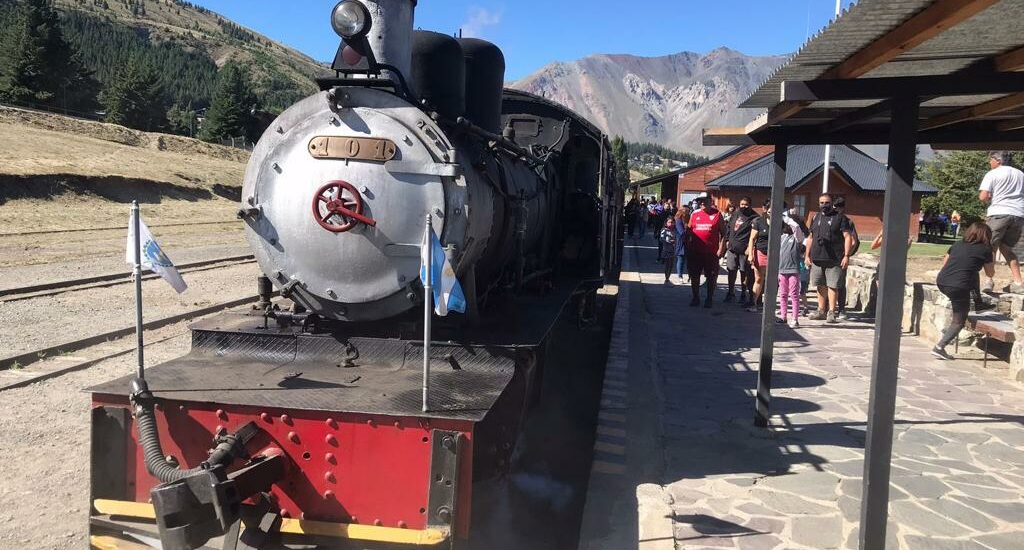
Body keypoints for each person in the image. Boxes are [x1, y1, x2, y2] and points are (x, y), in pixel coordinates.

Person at [932, 222, 996, 360]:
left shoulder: (957, 244)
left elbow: (945, 264)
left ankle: (979, 303)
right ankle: (939, 347)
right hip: (958, 287)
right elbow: (990, 273)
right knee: (959, 320)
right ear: (986, 236)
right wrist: (992, 255)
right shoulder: (985, 250)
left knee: (973, 273)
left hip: (942, 281)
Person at [979, 151, 1024, 294]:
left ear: (998, 161)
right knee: (1007, 248)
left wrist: (991, 197)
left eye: (991, 159)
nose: (989, 162)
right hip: (1018, 214)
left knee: (989, 247)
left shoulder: (992, 174)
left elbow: (983, 196)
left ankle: (989, 281)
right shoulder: (1020, 174)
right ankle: (1018, 282)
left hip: (999, 213)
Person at [805, 193, 853, 323]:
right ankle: (821, 310)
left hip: (834, 258)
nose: (824, 205)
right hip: (817, 257)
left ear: (831, 203)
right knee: (820, 285)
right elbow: (810, 237)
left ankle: (831, 312)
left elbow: (848, 237)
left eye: (827, 202)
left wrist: (846, 256)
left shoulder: (840, 218)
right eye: (821, 203)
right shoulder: (815, 217)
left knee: (833, 285)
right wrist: (807, 255)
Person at [687, 197, 726, 308]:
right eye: (700, 201)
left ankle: (709, 298)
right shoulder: (694, 214)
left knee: (711, 277)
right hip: (696, 252)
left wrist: (721, 249)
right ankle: (695, 297)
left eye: (705, 201)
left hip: (711, 253)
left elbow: (724, 233)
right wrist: (688, 247)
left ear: (711, 203)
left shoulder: (717, 215)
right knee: (695, 276)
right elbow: (689, 231)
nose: (702, 203)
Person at [724, 197, 757, 305]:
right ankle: (730, 292)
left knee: (744, 272)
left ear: (750, 205)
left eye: (746, 204)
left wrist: (750, 248)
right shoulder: (735, 214)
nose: (743, 206)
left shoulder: (754, 217)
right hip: (732, 248)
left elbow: (755, 235)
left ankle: (743, 293)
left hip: (745, 249)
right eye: (742, 204)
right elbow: (729, 227)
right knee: (731, 270)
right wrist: (727, 240)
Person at [777, 212, 806, 328]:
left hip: (793, 270)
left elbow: (797, 228)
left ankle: (795, 318)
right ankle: (783, 317)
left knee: (794, 295)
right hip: (782, 270)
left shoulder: (797, 238)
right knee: (783, 294)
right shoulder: (781, 238)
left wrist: (787, 218)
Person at [834, 197, 860, 320]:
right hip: (830, 256)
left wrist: (846, 255)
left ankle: (841, 309)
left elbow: (854, 241)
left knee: (839, 283)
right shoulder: (831, 218)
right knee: (831, 283)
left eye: (838, 206)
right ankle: (831, 308)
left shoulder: (848, 222)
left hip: (840, 256)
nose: (836, 209)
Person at [746, 199, 774, 313]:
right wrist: (751, 255)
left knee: (771, 280)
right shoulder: (758, 221)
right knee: (759, 279)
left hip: (774, 254)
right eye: (769, 210)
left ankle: (769, 304)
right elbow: (752, 239)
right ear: (765, 210)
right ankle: (754, 302)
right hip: (761, 252)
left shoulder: (780, 222)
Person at [673, 206, 691, 282]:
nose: (687, 213)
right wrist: (688, 229)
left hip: (689, 242)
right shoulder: (678, 220)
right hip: (681, 242)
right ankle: (680, 276)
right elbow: (681, 232)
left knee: (690, 261)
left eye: (688, 212)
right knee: (681, 259)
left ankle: (690, 276)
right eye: (686, 212)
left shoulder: (688, 219)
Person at [660, 218, 678, 283]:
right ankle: (666, 278)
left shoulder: (675, 230)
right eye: (669, 222)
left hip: (673, 250)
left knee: (671, 265)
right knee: (667, 265)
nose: (671, 224)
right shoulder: (664, 230)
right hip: (666, 250)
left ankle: (668, 277)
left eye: (672, 222)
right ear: (666, 223)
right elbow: (661, 239)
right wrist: (669, 241)